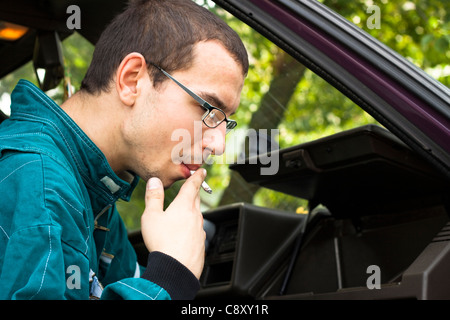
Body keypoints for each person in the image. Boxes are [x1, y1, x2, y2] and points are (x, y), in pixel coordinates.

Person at [0, 0, 248, 299]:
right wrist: (170, 276)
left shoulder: (95, 193)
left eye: (226, 123)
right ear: (132, 80)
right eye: (209, 109)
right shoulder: (39, 184)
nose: (218, 145)